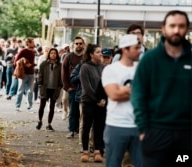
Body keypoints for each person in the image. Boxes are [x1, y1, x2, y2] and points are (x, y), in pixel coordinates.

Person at [131, 10, 192, 167]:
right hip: (156, 134)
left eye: (181, 26)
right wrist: (144, 129)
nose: (176, 30)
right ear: (163, 28)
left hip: (187, 136)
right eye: (172, 26)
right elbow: (138, 96)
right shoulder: (150, 60)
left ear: (187, 28)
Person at [102, 34, 142, 167]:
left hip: (139, 125)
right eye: (136, 48)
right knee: (113, 163)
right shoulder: (111, 69)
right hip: (116, 125)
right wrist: (138, 90)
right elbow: (114, 95)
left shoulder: (142, 69)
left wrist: (125, 89)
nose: (140, 51)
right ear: (125, 49)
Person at [79, 44, 106, 163]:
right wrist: (97, 100)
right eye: (98, 52)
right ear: (91, 54)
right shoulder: (85, 67)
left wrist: (104, 98)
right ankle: (85, 151)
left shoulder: (103, 67)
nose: (101, 54)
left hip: (101, 102)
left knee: (99, 127)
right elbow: (87, 88)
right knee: (87, 126)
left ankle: (97, 151)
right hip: (88, 101)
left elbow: (106, 84)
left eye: (101, 52)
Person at [61, 36, 85, 138]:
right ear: (73, 45)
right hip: (73, 88)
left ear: (83, 45)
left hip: (85, 89)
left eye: (80, 43)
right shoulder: (69, 57)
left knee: (83, 112)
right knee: (73, 111)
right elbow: (63, 72)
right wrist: (67, 87)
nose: (78, 45)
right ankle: (72, 130)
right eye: (77, 43)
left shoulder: (86, 57)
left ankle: (81, 131)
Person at [36, 48, 62, 131]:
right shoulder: (43, 64)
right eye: (51, 53)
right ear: (49, 54)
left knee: (52, 107)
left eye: (55, 53)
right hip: (45, 87)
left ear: (57, 55)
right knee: (42, 105)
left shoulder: (60, 65)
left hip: (54, 88)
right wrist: (40, 84)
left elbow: (61, 76)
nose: (53, 55)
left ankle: (49, 124)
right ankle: (40, 121)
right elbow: (39, 75)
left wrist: (60, 85)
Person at [14, 37, 36, 112]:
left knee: (30, 91)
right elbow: (16, 61)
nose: (34, 43)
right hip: (23, 73)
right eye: (32, 42)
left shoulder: (33, 51)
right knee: (20, 90)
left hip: (31, 73)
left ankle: (29, 106)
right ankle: (17, 106)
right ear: (28, 43)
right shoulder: (23, 51)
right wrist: (24, 63)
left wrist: (33, 65)